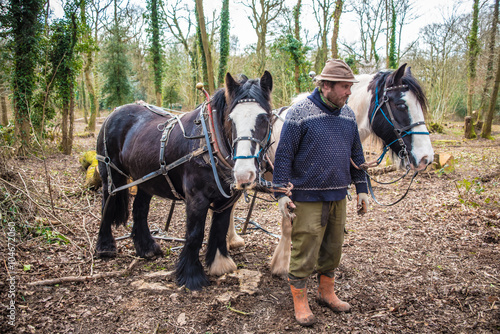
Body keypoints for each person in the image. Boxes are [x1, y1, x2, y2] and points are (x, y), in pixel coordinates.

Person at [272, 59, 370, 326]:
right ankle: (300, 300)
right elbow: (283, 156)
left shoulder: (348, 115)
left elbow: (356, 154)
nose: (349, 92)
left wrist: (362, 188)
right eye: (345, 87)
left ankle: (326, 291)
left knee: (333, 248)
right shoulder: (300, 112)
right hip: (307, 197)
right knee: (305, 249)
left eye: (351, 86)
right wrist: (281, 193)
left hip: (338, 194)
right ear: (326, 85)